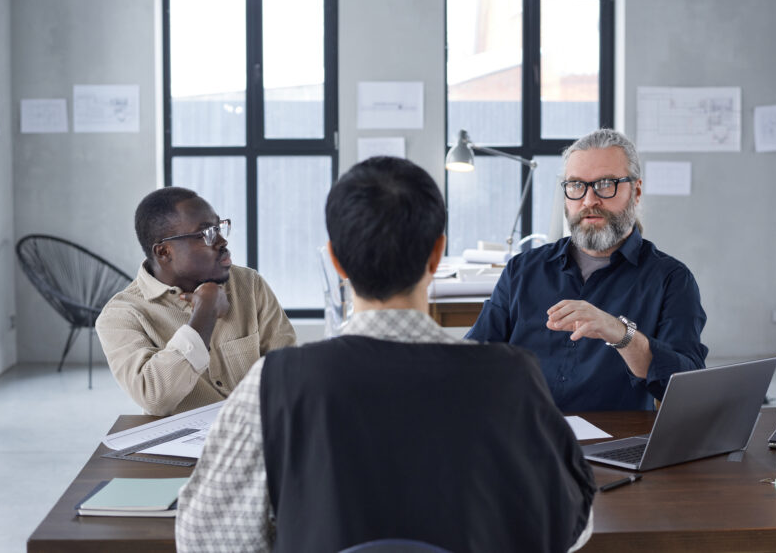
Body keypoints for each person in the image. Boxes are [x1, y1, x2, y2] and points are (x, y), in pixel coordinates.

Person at [176, 157, 595, 553]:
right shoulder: (512, 376)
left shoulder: (275, 382)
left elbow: (205, 539)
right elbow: (571, 525)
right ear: (437, 254)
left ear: (337, 261)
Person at [467, 128, 708, 411]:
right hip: (524, 438)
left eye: (606, 184)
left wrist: (621, 334)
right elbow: (475, 357)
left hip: (612, 446)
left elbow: (687, 386)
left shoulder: (671, 280)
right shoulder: (522, 270)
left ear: (637, 191)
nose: (589, 200)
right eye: (576, 185)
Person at [95, 187, 296, 416]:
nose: (221, 241)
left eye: (219, 228)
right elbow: (155, 398)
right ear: (164, 252)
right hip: (181, 450)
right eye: (206, 234)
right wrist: (204, 315)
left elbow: (288, 371)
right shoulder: (121, 316)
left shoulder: (249, 284)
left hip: (260, 436)